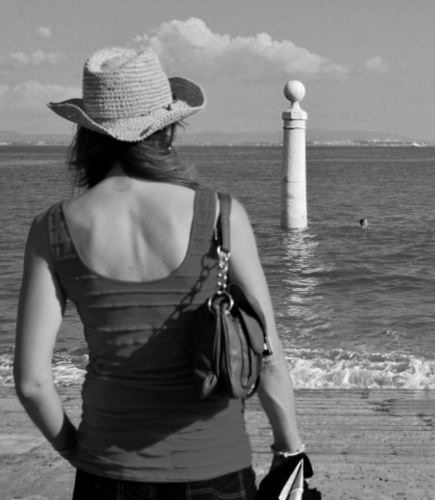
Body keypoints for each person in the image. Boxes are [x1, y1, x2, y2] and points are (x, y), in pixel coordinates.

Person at [14, 47, 303, 499]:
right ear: (166, 130)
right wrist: (289, 447)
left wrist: (72, 448)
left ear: (87, 135)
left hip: (106, 472)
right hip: (217, 469)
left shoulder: (52, 228)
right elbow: (267, 356)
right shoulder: (221, 217)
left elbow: (32, 382)